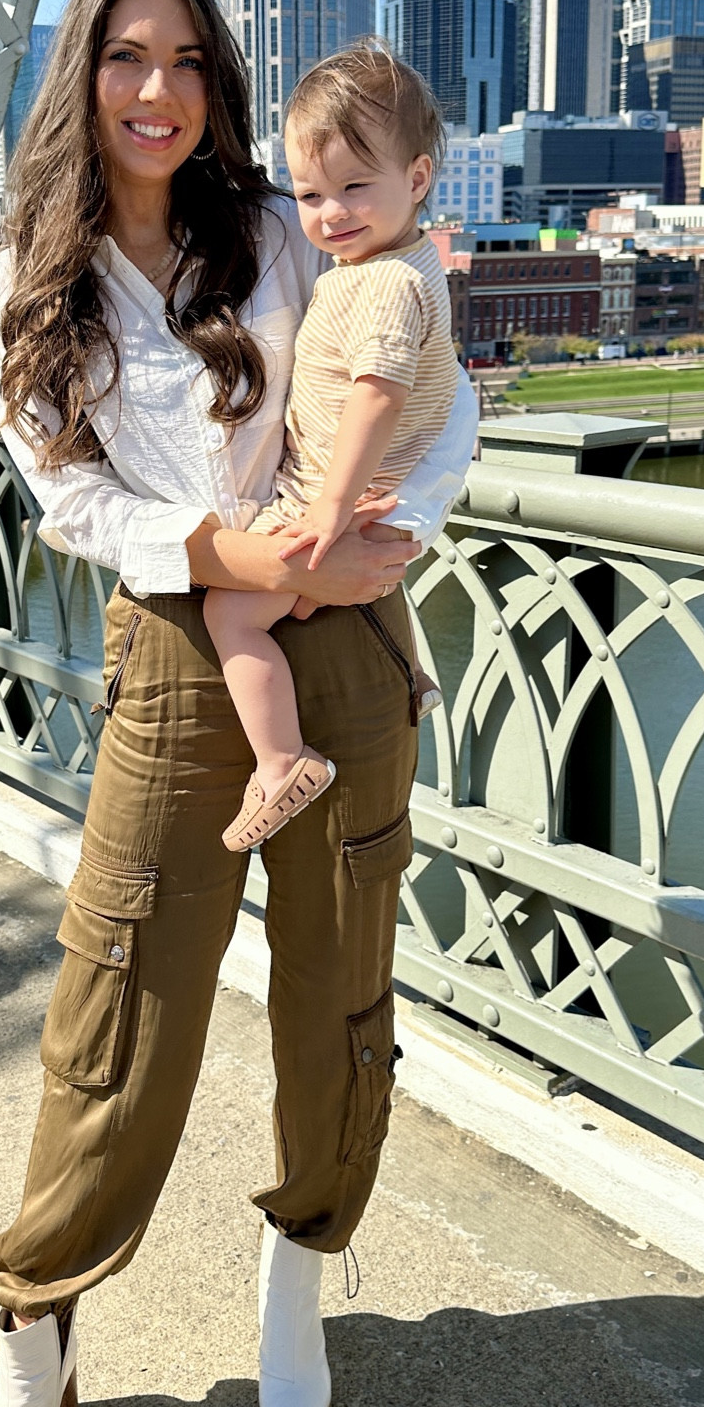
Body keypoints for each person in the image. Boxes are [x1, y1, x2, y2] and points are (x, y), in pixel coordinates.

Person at [0, 0, 475, 1407]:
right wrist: (244, 560)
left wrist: (380, 539)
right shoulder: (19, 284)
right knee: (119, 999)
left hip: (345, 630)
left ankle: (300, 1269)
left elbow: (427, 396)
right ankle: (31, 1338)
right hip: (189, 643)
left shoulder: (277, 228)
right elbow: (75, 505)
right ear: (83, 74)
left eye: (188, 57)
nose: (158, 90)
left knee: (338, 986)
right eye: (126, 56)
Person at [205, 43, 452, 854]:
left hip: (337, 487)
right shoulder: (395, 259)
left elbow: (376, 392)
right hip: (374, 488)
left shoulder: (381, 282)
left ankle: (282, 763)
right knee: (317, 595)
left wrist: (330, 507)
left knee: (233, 611)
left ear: (416, 178)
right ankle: (406, 675)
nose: (330, 213)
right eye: (310, 194)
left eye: (354, 187)